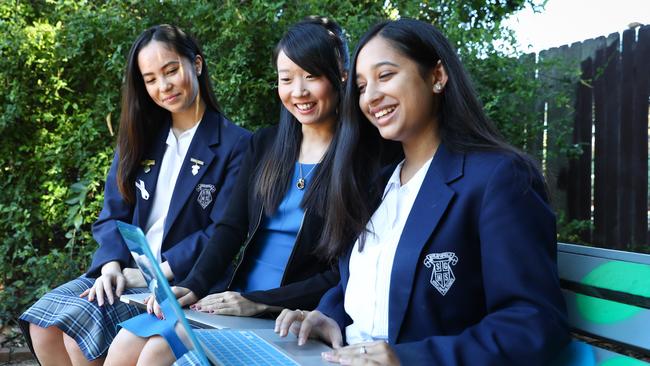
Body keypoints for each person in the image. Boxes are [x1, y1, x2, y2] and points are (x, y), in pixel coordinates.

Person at [275, 18, 570, 365]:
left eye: (385, 76)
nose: (371, 96)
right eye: (361, 85)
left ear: (437, 76)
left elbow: (533, 323)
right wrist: (330, 315)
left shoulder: (498, 177)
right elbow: (367, 280)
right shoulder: (378, 186)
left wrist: (409, 359)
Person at [104, 16, 351, 365]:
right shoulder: (266, 145)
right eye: (286, 79)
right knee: (125, 345)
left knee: (155, 356)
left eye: (311, 76)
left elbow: (342, 272)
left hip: (285, 313)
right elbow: (230, 228)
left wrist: (261, 302)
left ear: (340, 75)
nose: (299, 92)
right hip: (233, 301)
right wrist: (194, 285)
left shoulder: (359, 161)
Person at [18, 24, 250, 366]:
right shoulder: (139, 137)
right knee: (43, 325)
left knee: (76, 334)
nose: (164, 86)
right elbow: (112, 213)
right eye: (151, 78)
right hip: (123, 271)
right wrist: (110, 265)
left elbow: (219, 233)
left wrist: (150, 274)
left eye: (171, 71)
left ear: (196, 65)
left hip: (178, 278)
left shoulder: (236, 144)